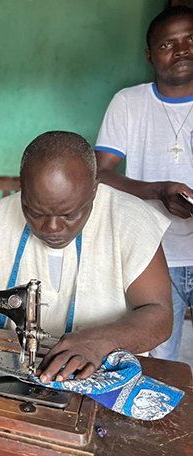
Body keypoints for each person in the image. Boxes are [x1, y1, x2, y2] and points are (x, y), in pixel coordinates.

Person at [0, 131, 173, 384]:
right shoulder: (1, 217)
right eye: (35, 212)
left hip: (105, 377)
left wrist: (102, 341)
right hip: (15, 373)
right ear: (22, 188)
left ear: (94, 190)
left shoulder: (132, 221)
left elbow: (160, 314)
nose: (51, 227)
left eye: (69, 215)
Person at [95, 6, 193, 361]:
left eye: (190, 39)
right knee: (156, 360)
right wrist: (156, 191)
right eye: (168, 44)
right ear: (151, 55)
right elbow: (100, 174)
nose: (182, 49)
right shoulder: (129, 103)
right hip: (153, 257)